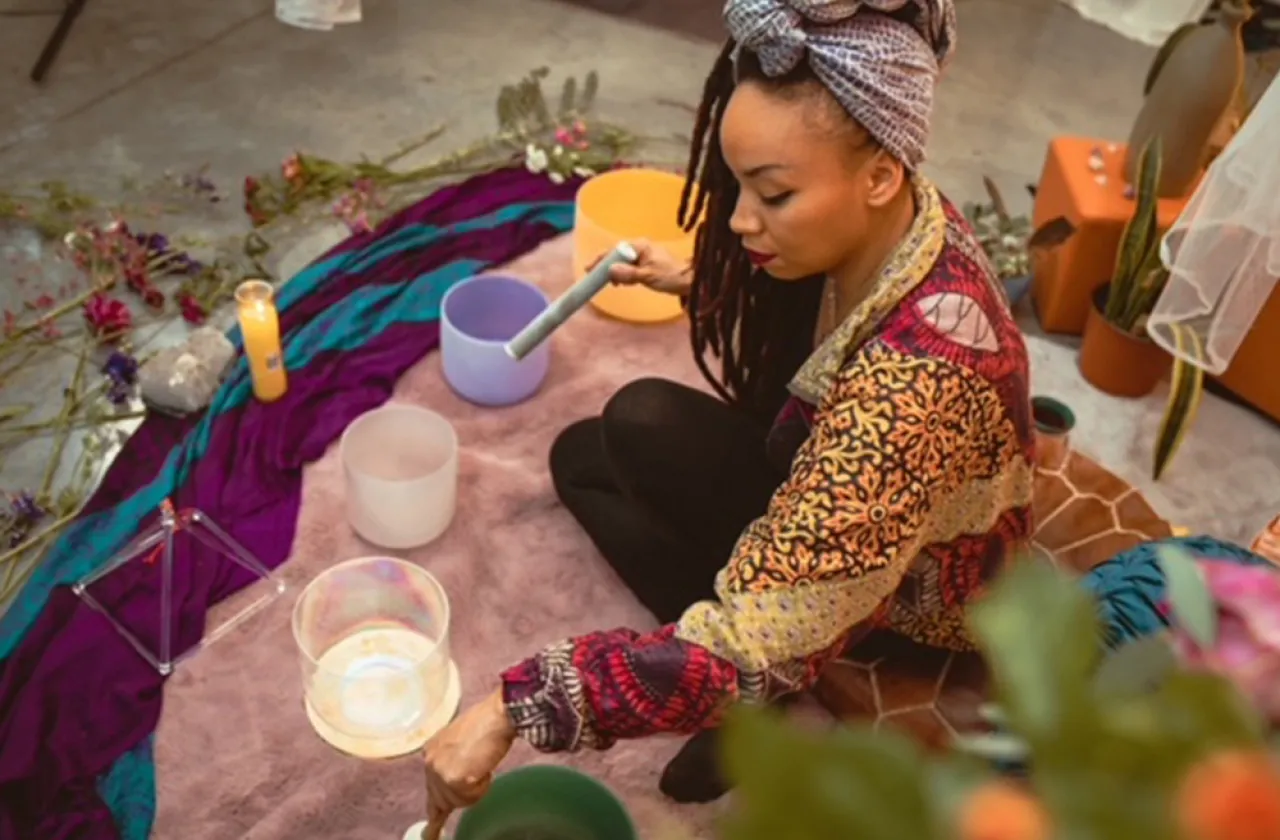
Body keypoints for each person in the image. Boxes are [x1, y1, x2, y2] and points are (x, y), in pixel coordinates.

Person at [421, 0, 1037, 829]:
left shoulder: (916, 388)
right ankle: (754, 651)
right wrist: (695, 277)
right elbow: (801, 299)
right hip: (832, 469)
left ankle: (759, 702)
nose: (742, 218)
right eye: (739, 184)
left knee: (657, 455)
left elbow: (750, 637)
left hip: (914, 597)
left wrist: (510, 709)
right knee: (583, 454)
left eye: (772, 193)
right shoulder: (897, 212)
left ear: (879, 175)